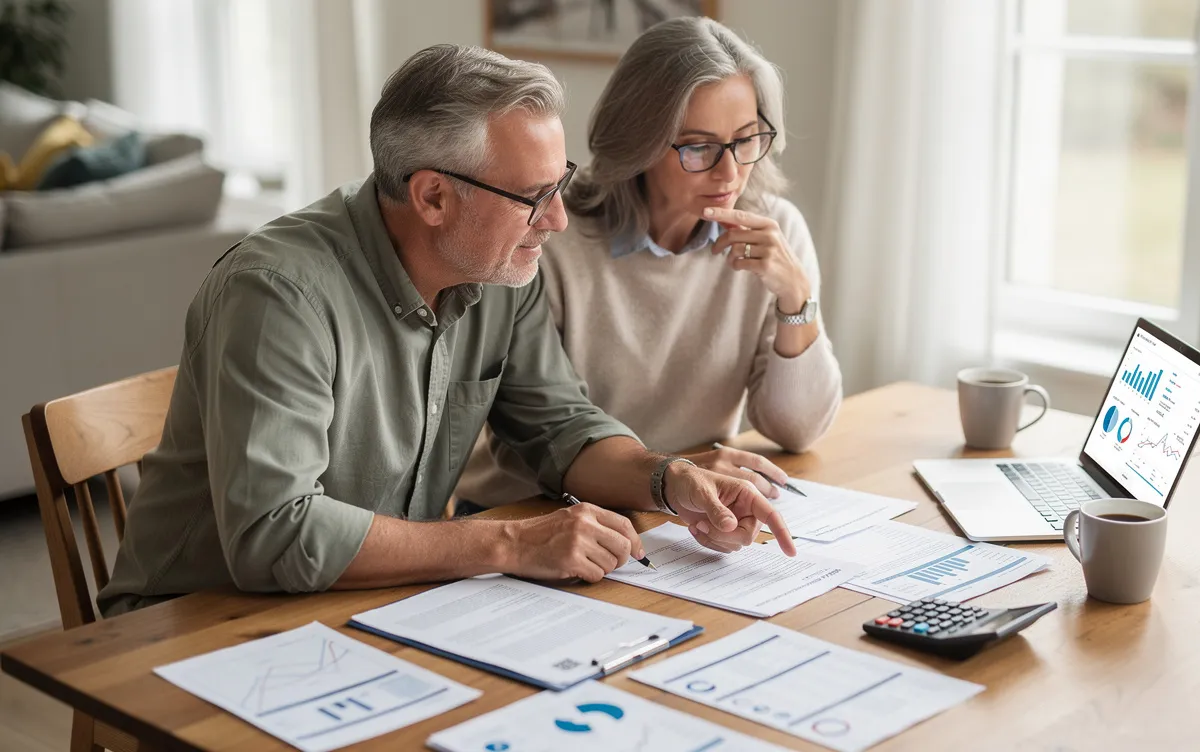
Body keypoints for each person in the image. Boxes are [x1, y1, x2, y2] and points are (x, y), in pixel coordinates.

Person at [97, 44, 795, 617]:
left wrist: (671, 480)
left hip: (377, 601)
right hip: (197, 620)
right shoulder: (278, 294)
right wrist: (506, 543)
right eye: (533, 197)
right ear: (432, 195)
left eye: (560, 185)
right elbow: (275, 537)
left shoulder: (500, 268)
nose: (556, 221)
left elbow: (562, 427)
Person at [456, 17, 843, 537]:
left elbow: (798, 431)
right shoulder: (549, 236)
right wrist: (671, 474)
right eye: (699, 147)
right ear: (638, 141)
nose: (729, 173)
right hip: (532, 515)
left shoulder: (775, 234)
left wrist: (797, 299)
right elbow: (540, 437)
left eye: (746, 140)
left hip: (677, 509)